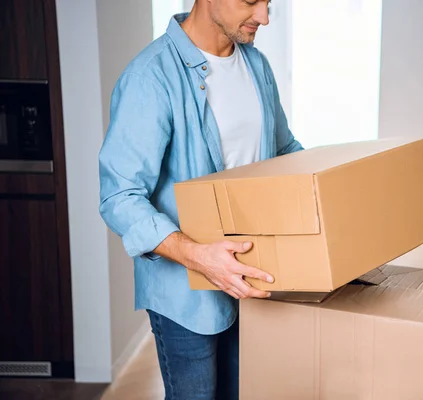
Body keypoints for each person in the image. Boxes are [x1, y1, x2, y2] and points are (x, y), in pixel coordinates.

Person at [98, 0, 303, 398]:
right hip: (185, 296)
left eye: (269, 2)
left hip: (252, 278)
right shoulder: (150, 76)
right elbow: (119, 196)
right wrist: (197, 256)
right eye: (250, 2)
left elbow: (284, 149)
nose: (263, 17)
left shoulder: (256, 65)